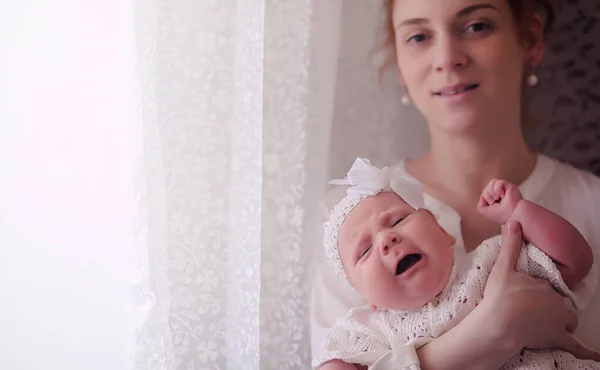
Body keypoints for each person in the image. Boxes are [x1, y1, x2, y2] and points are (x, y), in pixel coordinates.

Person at [310, 0, 600, 369]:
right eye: (418, 36)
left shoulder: (594, 206)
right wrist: (494, 330)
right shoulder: (341, 225)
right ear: (400, 64)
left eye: (477, 26)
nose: (447, 58)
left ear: (530, 39)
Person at [312, 157, 599, 369]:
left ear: (443, 232)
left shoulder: (494, 261)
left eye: (398, 220)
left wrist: (520, 212)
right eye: (364, 251)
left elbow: (575, 262)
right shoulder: (370, 330)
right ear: (364, 297)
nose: (386, 239)